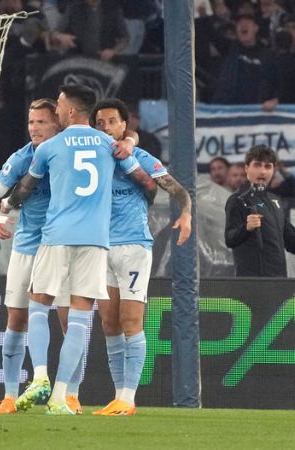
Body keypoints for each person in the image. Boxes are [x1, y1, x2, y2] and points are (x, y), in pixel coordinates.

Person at [2, 84, 155, 415]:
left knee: (39, 304)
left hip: (56, 235)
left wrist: (6, 203)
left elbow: (24, 189)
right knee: (81, 318)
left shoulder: (50, 146)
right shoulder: (110, 145)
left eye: (58, 104)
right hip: (96, 241)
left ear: (71, 110)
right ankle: (61, 396)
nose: (56, 110)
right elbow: (145, 179)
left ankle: (40, 375)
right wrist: (130, 142)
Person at [89, 98, 192, 416]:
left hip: (133, 247)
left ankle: (129, 398)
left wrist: (186, 214)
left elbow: (177, 190)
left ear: (124, 126)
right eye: (100, 122)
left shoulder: (140, 157)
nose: (105, 127)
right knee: (109, 323)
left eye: (111, 121)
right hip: (99, 248)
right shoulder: (91, 160)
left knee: (131, 322)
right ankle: (118, 395)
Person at [0, 98, 74, 414]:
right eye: (31, 122)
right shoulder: (22, 157)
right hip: (26, 247)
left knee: (69, 319)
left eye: (41, 122)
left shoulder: (69, 154)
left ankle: (69, 395)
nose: (34, 128)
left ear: (58, 123)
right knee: (17, 318)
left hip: (63, 247)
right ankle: (10, 396)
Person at [225, 145, 295, 277]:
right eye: (257, 165)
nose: (263, 172)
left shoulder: (274, 200)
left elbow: (292, 242)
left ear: (273, 170)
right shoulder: (238, 200)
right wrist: (246, 228)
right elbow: (229, 239)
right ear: (247, 168)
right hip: (252, 283)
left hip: (279, 280)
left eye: (268, 166)